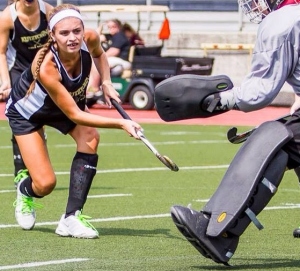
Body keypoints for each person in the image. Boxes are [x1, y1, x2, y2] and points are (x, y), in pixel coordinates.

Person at [154, 0, 300, 265]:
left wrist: (223, 100)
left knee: (275, 139)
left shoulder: (285, 19)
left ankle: (219, 234)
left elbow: (261, 90)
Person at [5, 3, 142, 238]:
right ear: (52, 35)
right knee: (45, 184)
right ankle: (24, 190)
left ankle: (71, 217)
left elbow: (99, 55)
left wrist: (106, 82)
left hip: (65, 104)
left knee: (90, 136)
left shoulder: (90, 37)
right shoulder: (47, 66)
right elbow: (75, 115)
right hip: (28, 113)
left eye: (76, 31)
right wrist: (122, 123)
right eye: (64, 33)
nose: (72, 38)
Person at [0, 0, 53, 184]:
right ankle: (21, 171)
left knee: (40, 118)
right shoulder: (7, 17)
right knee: (21, 117)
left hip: (43, 70)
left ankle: (38, 146)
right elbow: (1, 51)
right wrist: (5, 82)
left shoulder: (47, 11)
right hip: (18, 71)